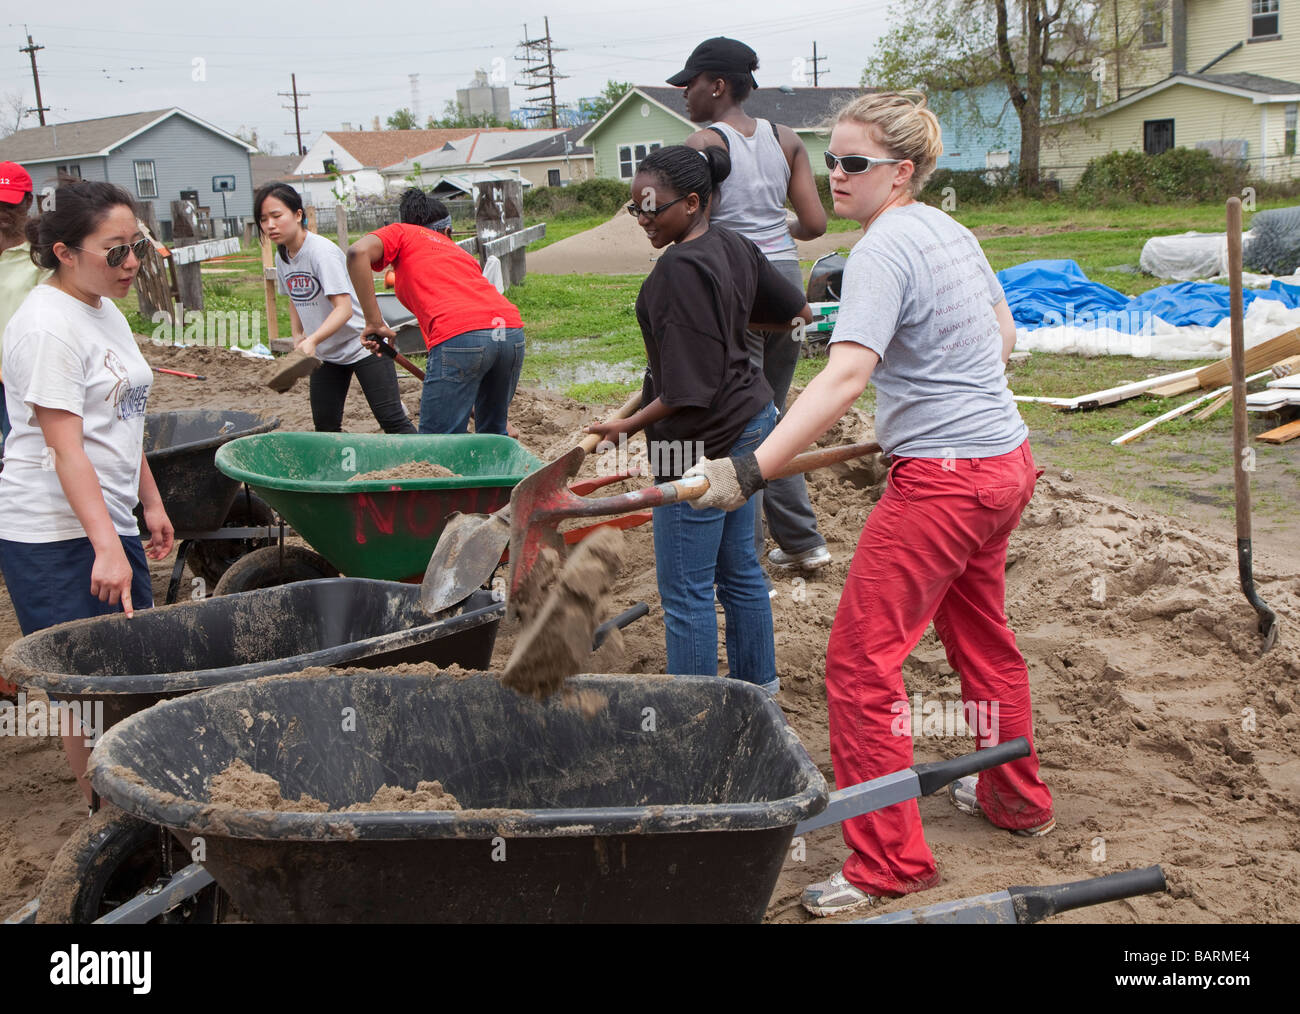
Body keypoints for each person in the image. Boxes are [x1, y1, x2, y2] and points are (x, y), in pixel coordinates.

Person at [683, 92, 1055, 915]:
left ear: (903, 172)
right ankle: (1015, 799)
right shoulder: (947, 230)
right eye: (831, 158)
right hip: (1004, 461)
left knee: (860, 666)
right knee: (981, 636)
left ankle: (889, 865)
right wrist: (931, 396)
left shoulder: (884, 248)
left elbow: (845, 375)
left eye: (855, 163)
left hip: (948, 483)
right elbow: (1002, 337)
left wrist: (750, 470)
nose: (835, 175)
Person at [586, 145, 811, 695]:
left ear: (691, 203)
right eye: (634, 207)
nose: (640, 219)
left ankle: (695, 711)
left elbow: (688, 392)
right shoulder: (732, 244)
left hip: (692, 445)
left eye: (651, 208)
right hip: (753, 421)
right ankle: (760, 691)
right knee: (740, 572)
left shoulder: (677, 271)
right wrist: (731, 323)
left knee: (686, 588)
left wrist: (626, 425)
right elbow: (793, 312)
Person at [0, 180, 175, 799]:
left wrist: (147, 501)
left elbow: (126, 415)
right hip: (54, 532)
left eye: (139, 248)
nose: (131, 264)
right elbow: (65, 448)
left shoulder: (101, 309)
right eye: (116, 251)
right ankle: (101, 814)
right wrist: (104, 546)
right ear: (65, 252)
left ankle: (133, 796)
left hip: (108, 516)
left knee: (132, 661)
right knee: (88, 686)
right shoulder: (47, 327)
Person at [671, 37, 832, 573]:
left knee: (745, 423)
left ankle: (750, 557)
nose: (685, 95)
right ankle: (804, 543)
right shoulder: (786, 140)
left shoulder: (701, 142)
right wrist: (772, 229)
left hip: (733, 286)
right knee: (772, 419)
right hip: (784, 282)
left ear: (716, 85)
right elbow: (814, 225)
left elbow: (685, 223)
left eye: (690, 85)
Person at [347, 188, 525, 435]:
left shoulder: (402, 232)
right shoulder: (459, 254)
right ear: (447, 231)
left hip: (462, 335)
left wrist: (374, 323)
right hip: (510, 332)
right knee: (493, 438)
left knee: (438, 445)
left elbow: (357, 253)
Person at [254, 183, 415, 434]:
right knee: (326, 427)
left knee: (392, 420)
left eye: (276, 216)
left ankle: (427, 468)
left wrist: (313, 339)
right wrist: (299, 336)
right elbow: (294, 298)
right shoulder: (283, 255)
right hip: (327, 353)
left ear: (298, 215)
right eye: (263, 220)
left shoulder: (321, 252)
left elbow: (344, 309)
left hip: (363, 344)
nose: (270, 225)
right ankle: (342, 472)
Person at [0, 162, 51, 445]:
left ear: (28, 201)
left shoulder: (39, 257)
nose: (2, 212)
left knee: (18, 447)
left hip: (20, 378)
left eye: (9, 204)